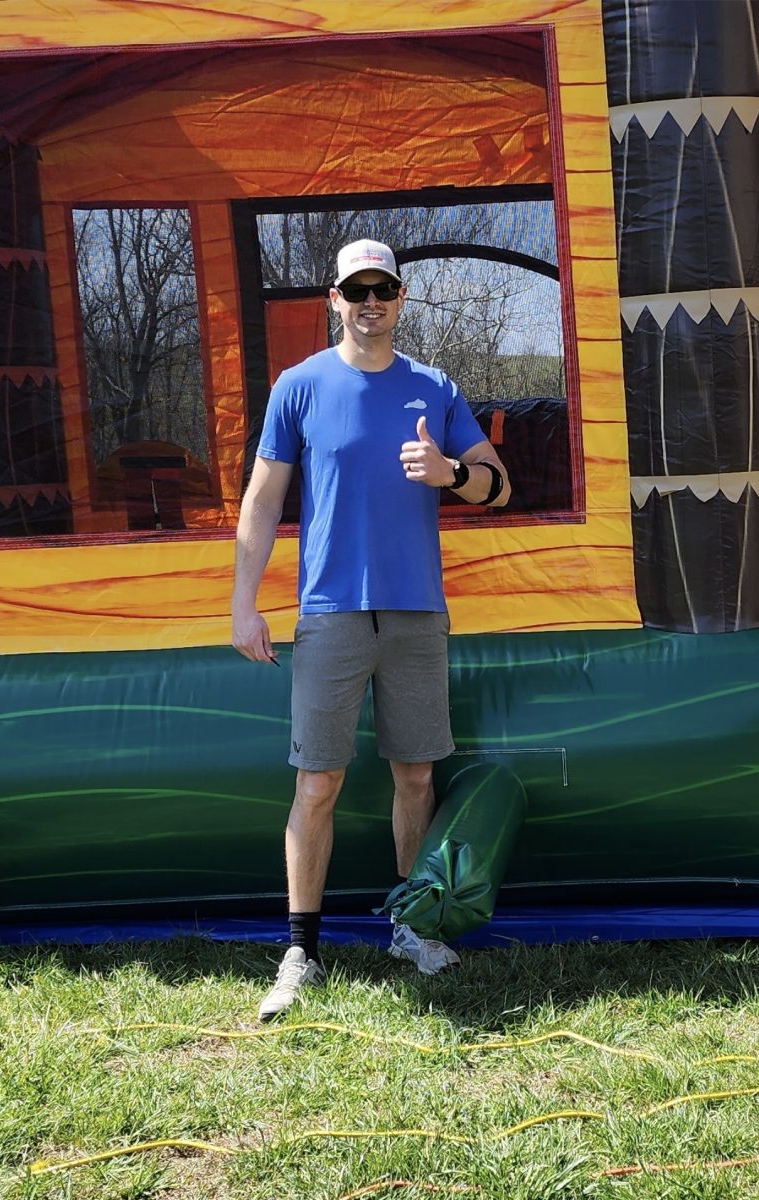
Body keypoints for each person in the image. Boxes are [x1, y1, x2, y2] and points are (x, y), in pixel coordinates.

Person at [231, 238, 510, 1021]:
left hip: (417, 613)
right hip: (328, 613)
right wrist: (242, 602)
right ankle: (300, 951)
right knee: (316, 782)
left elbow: (497, 485)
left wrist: (452, 474)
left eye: (381, 287)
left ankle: (410, 928)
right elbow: (261, 501)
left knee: (415, 777)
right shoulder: (299, 386)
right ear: (334, 298)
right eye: (356, 288)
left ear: (400, 296)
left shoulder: (433, 386)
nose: (369, 301)